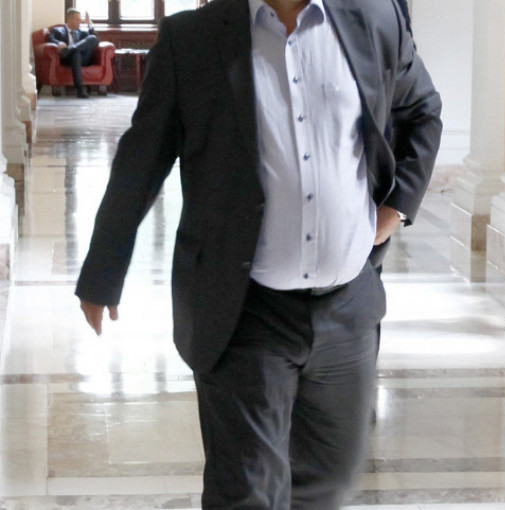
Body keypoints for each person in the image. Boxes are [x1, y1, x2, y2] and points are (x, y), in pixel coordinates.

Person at [75, 0, 442, 508]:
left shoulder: (375, 20)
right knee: (247, 490)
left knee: (329, 481)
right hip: (244, 309)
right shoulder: (193, 39)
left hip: (347, 308)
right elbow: (143, 156)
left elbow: (421, 111)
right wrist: (103, 268)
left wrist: (396, 208)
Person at [49, 8, 100, 98]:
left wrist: (90, 25)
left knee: (92, 38)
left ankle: (69, 50)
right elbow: (51, 38)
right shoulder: (58, 30)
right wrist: (59, 42)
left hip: (84, 59)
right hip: (68, 59)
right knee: (76, 55)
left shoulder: (83, 33)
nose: (80, 22)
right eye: (77, 19)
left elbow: (96, 40)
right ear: (70, 19)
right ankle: (80, 90)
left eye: (80, 19)